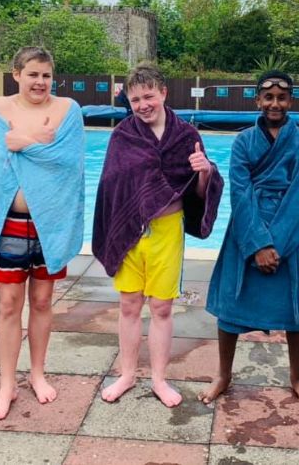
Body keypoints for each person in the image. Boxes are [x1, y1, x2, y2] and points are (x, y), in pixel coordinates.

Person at [93, 62, 223, 407]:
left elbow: (198, 193)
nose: (142, 105)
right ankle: (126, 374)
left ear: (163, 93)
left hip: (167, 230)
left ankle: (159, 380)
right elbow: (110, 189)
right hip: (131, 232)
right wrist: (111, 232)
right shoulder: (123, 135)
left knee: (162, 308)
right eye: (135, 99)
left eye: (148, 96)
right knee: (129, 304)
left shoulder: (186, 137)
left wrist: (205, 173)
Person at [0, 47, 84, 420]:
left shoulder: (69, 111)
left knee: (44, 301)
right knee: (8, 304)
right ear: (16, 74)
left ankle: (37, 374)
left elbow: (69, 164)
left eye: (46, 75)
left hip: (50, 223)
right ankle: (7, 384)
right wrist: (40, 140)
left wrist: (23, 141)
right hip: (10, 224)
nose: (40, 82)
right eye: (32, 74)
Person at [199, 70, 299, 407]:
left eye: (281, 98)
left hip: (288, 235)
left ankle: (296, 377)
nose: (275, 104)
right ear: (258, 100)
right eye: (268, 98)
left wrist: (275, 245)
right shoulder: (244, 141)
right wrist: (257, 244)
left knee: (295, 311)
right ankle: (224, 374)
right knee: (231, 308)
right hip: (247, 232)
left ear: (290, 101)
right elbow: (241, 191)